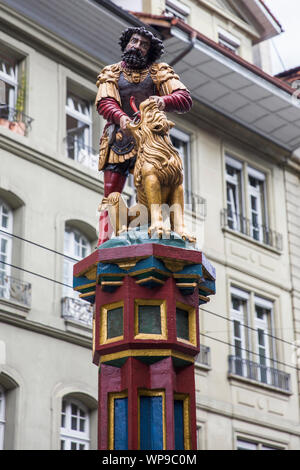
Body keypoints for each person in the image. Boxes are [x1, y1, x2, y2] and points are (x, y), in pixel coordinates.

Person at [95, 26, 192, 245]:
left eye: (143, 44)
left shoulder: (159, 71)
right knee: (111, 192)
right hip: (119, 139)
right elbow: (104, 102)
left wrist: (163, 100)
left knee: (149, 187)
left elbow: (184, 98)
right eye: (134, 41)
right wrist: (122, 119)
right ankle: (103, 240)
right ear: (126, 44)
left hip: (151, 140)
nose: (137, 46)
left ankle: (148, 232)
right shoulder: (111, 72)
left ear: (149, 51)